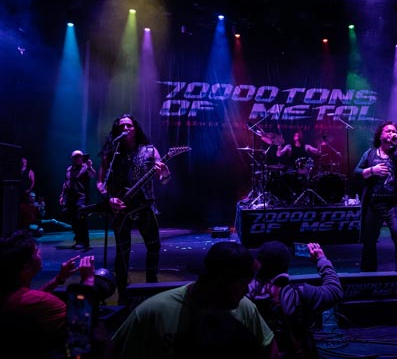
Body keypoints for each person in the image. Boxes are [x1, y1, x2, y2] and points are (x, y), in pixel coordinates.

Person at [110, 240, 277, 359]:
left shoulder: (246, 308)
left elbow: (270, 351)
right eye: (242, 284)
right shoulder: (151, 313)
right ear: (220, 282)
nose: (246, 291)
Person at [96, 113, 171, 300]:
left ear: (135, 128)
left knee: (153, 246)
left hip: (144, 205)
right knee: (122, 251)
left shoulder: (149, 151)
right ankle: (123, 293)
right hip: (120, 207)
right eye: (121, 126)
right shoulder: (111, 154)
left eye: (128, 125)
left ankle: (151, 287)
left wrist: (165, 173)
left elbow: (163, 180)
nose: (125, 129)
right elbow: (100, 182)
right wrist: (109, 199)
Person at [0, 229, 95, 358]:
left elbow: (31, 298)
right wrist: (88, 280)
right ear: (26, 267)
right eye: (36, 252)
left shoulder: (12, 293)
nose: (40, 252)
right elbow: (80, 326)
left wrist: (59, 279)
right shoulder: (43, 302)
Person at [246, 241, 344, 359]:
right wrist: (321, 260)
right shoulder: (300, 294)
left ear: (256, 264)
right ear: (287, 265)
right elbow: (335, 291)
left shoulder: (243, 295)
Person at [354, 121, 397, 272]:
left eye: (394, 131)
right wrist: (372, 170)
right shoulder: (370, 153)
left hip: (394, 205)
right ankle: (368, 274)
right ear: (380, 136)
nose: (392, 133)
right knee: (369, 241)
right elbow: (357, 172)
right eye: (388, 131)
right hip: (374, 203)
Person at [60, 149, 97, 250]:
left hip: (81, 197)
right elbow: (66, 183)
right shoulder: (69, 169)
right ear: (72, 158)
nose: (78, 158)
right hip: (71, 197)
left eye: (80, 156)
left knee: (81, 219)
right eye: (76, 156)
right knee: (74, 220)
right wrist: (62, 195)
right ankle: (78, 240)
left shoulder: (86, 167)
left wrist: (90, 166)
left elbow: (93, 175)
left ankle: (84, 242)